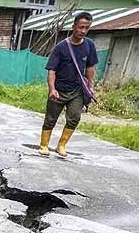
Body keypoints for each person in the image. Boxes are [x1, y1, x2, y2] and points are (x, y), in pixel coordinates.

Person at [41, 11, 98, 158]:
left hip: (77, 90)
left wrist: (90, 88)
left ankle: (61, 145)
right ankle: (44, 145)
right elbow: (51, 70)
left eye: (86, 28)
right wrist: (52, 89)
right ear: (73, 27)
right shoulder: (61, 47)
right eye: (80, 27)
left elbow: (90, 68)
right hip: (59, 89)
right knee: (50, 118)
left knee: (74, 118)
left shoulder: (89, 45)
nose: (83, 31)